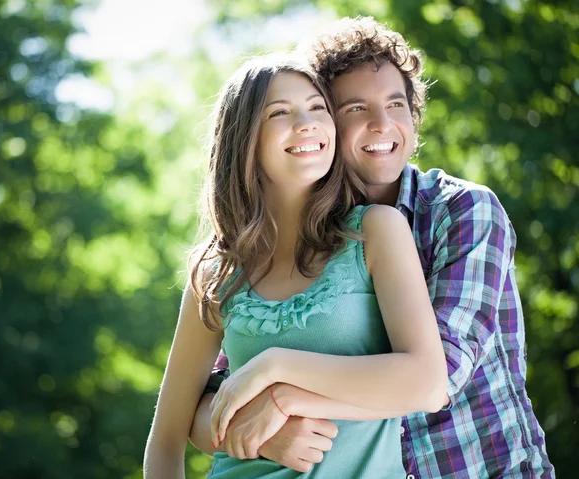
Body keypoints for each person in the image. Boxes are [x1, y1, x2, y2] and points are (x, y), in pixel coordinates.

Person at [189, 17, 555, 479]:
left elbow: (438, 378)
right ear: (326, 122)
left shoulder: (463, 211)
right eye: (356, 108)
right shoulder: (309, 243)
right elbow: (221, 386)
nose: (382, 124)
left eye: (396, 104)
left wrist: (283, 396)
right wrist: (263, 429)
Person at [143, 52, 448, 479]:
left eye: (318, 108)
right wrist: (260, 435)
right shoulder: (215, 271)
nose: (306, 123)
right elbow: (167, 437)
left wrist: (277, 370)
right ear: (244, 138)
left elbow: (428, 385)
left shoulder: (376, 231)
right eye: (280, 113)